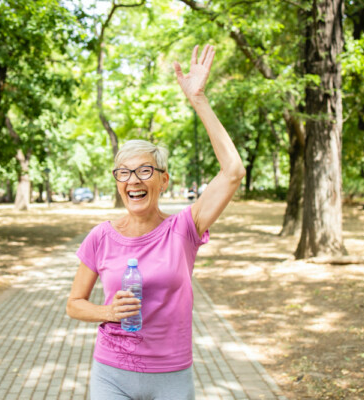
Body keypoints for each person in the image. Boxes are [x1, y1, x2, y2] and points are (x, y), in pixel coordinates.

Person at [66, 44, 245, 400]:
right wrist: (107, 311)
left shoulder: (184, 229)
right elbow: (74, 303)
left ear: (163, 181)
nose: (133, 180)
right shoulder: (101, 237)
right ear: (117, 182)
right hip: (111, 373)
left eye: (144, 170)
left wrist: (199, 100)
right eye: (124, 172)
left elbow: (233, 171)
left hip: (171, 375)